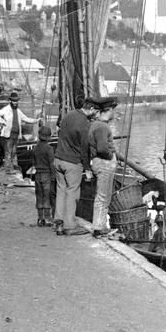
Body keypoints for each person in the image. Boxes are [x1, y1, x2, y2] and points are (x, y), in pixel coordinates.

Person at [53, 97, 98, 236]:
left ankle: (59, 223)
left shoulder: (68, 116)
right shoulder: (84, 123)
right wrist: (87, 169)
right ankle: (70, 226)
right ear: (90, 109)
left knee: (61, 191)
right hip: (72, 162)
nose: (95, 114)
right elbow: (84, 149)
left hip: (58, 159)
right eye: (95, 111)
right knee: (73, 193)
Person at [88, 97, 119, 238]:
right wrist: (110, 156)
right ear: (109, 110)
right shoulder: (102, 126)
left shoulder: (95, 124)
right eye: (113, 109)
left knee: (103, 196)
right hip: (104, 163)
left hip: (99, 162)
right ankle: (98, 228)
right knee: (102, 196)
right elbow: (102, 149)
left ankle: (101, 226)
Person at [0, 91, 39, 174]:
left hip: (16, 134)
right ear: (10, 101)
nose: (15, 102)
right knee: (8, 151)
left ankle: (14, 167)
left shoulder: (18, 111)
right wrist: (3, 122)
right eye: (14, 101)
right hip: (8, 135)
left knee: (14, 152)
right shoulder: (6, 109)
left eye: (16, 101)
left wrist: (35, 121)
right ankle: (7, 169)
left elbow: (25, 118)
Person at [31, 124, 56, 226]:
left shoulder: (35, 148)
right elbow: (52, 163)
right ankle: (47, 218)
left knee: (39, 196)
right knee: (47, 196)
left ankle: (40, 218)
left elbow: (33, 161)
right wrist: (53, 176)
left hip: (38, 174)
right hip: (46, 175)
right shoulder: (49, 148)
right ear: (49, 137)